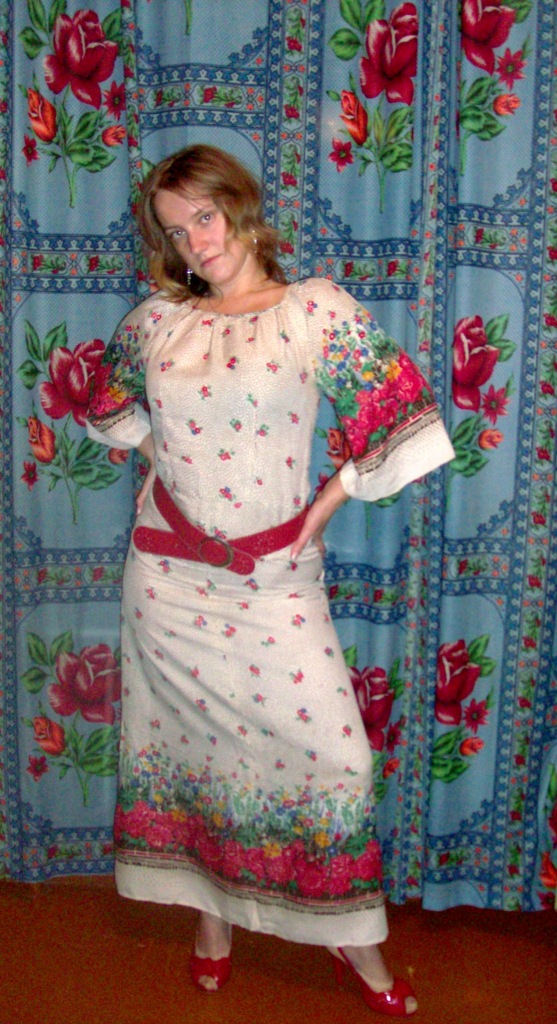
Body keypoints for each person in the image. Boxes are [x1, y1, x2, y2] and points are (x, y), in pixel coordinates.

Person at [86, 144, 454, 1017]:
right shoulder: (157, 320)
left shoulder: (312, 311)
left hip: (274, 584)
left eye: (204, 216)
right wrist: (158, 459)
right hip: (166, 584)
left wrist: (325, 504)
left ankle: (354, 945)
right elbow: (105, 406)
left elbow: (403, 419)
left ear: (240, 207)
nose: (196, 242)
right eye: (177, 231)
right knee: (188, 756)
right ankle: (210, 922)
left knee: (336, 761)